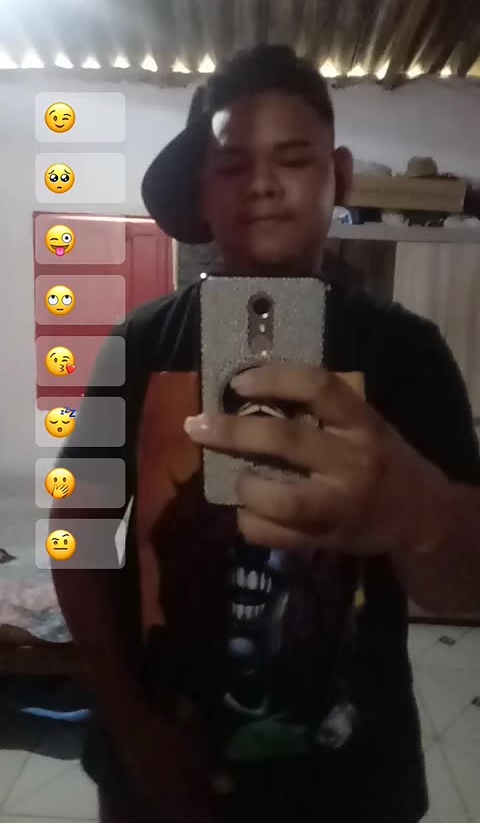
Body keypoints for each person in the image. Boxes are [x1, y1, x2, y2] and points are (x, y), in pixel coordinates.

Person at [52, 44, 480, 823]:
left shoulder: (407, 353)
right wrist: (134, 728)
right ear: (201, 190)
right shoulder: (138, 344)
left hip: (351, 784)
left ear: (339, 176)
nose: (262, 184)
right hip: (157, 765)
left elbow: (461, 588)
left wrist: (422, 515)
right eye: (231, 164)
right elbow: (75, 535)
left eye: (293, 158)